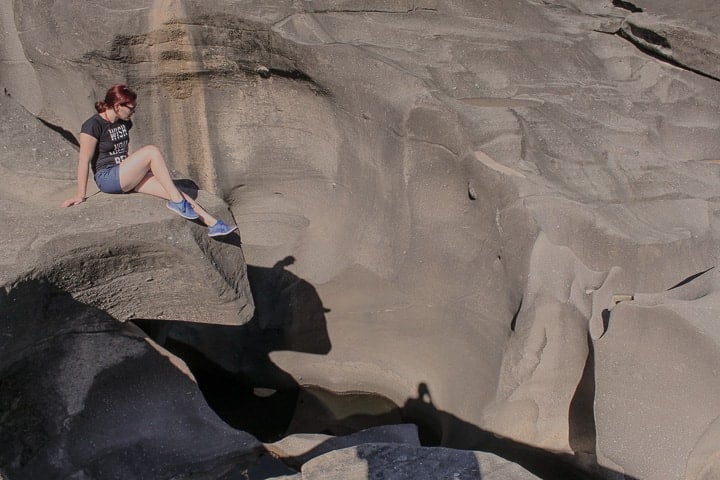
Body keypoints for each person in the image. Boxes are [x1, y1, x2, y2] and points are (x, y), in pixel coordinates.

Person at [61, 83, 237, 237]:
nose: (134, 111)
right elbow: (84, 161)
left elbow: (123, 153)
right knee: (151, 151)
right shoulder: (92, 125)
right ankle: (178, 203)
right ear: (117, 106)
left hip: (125, 174)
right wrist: (80, 195)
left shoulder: (124, 122)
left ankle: (213, 224)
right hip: (108, 178)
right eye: (131, 108)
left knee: (170, 188)